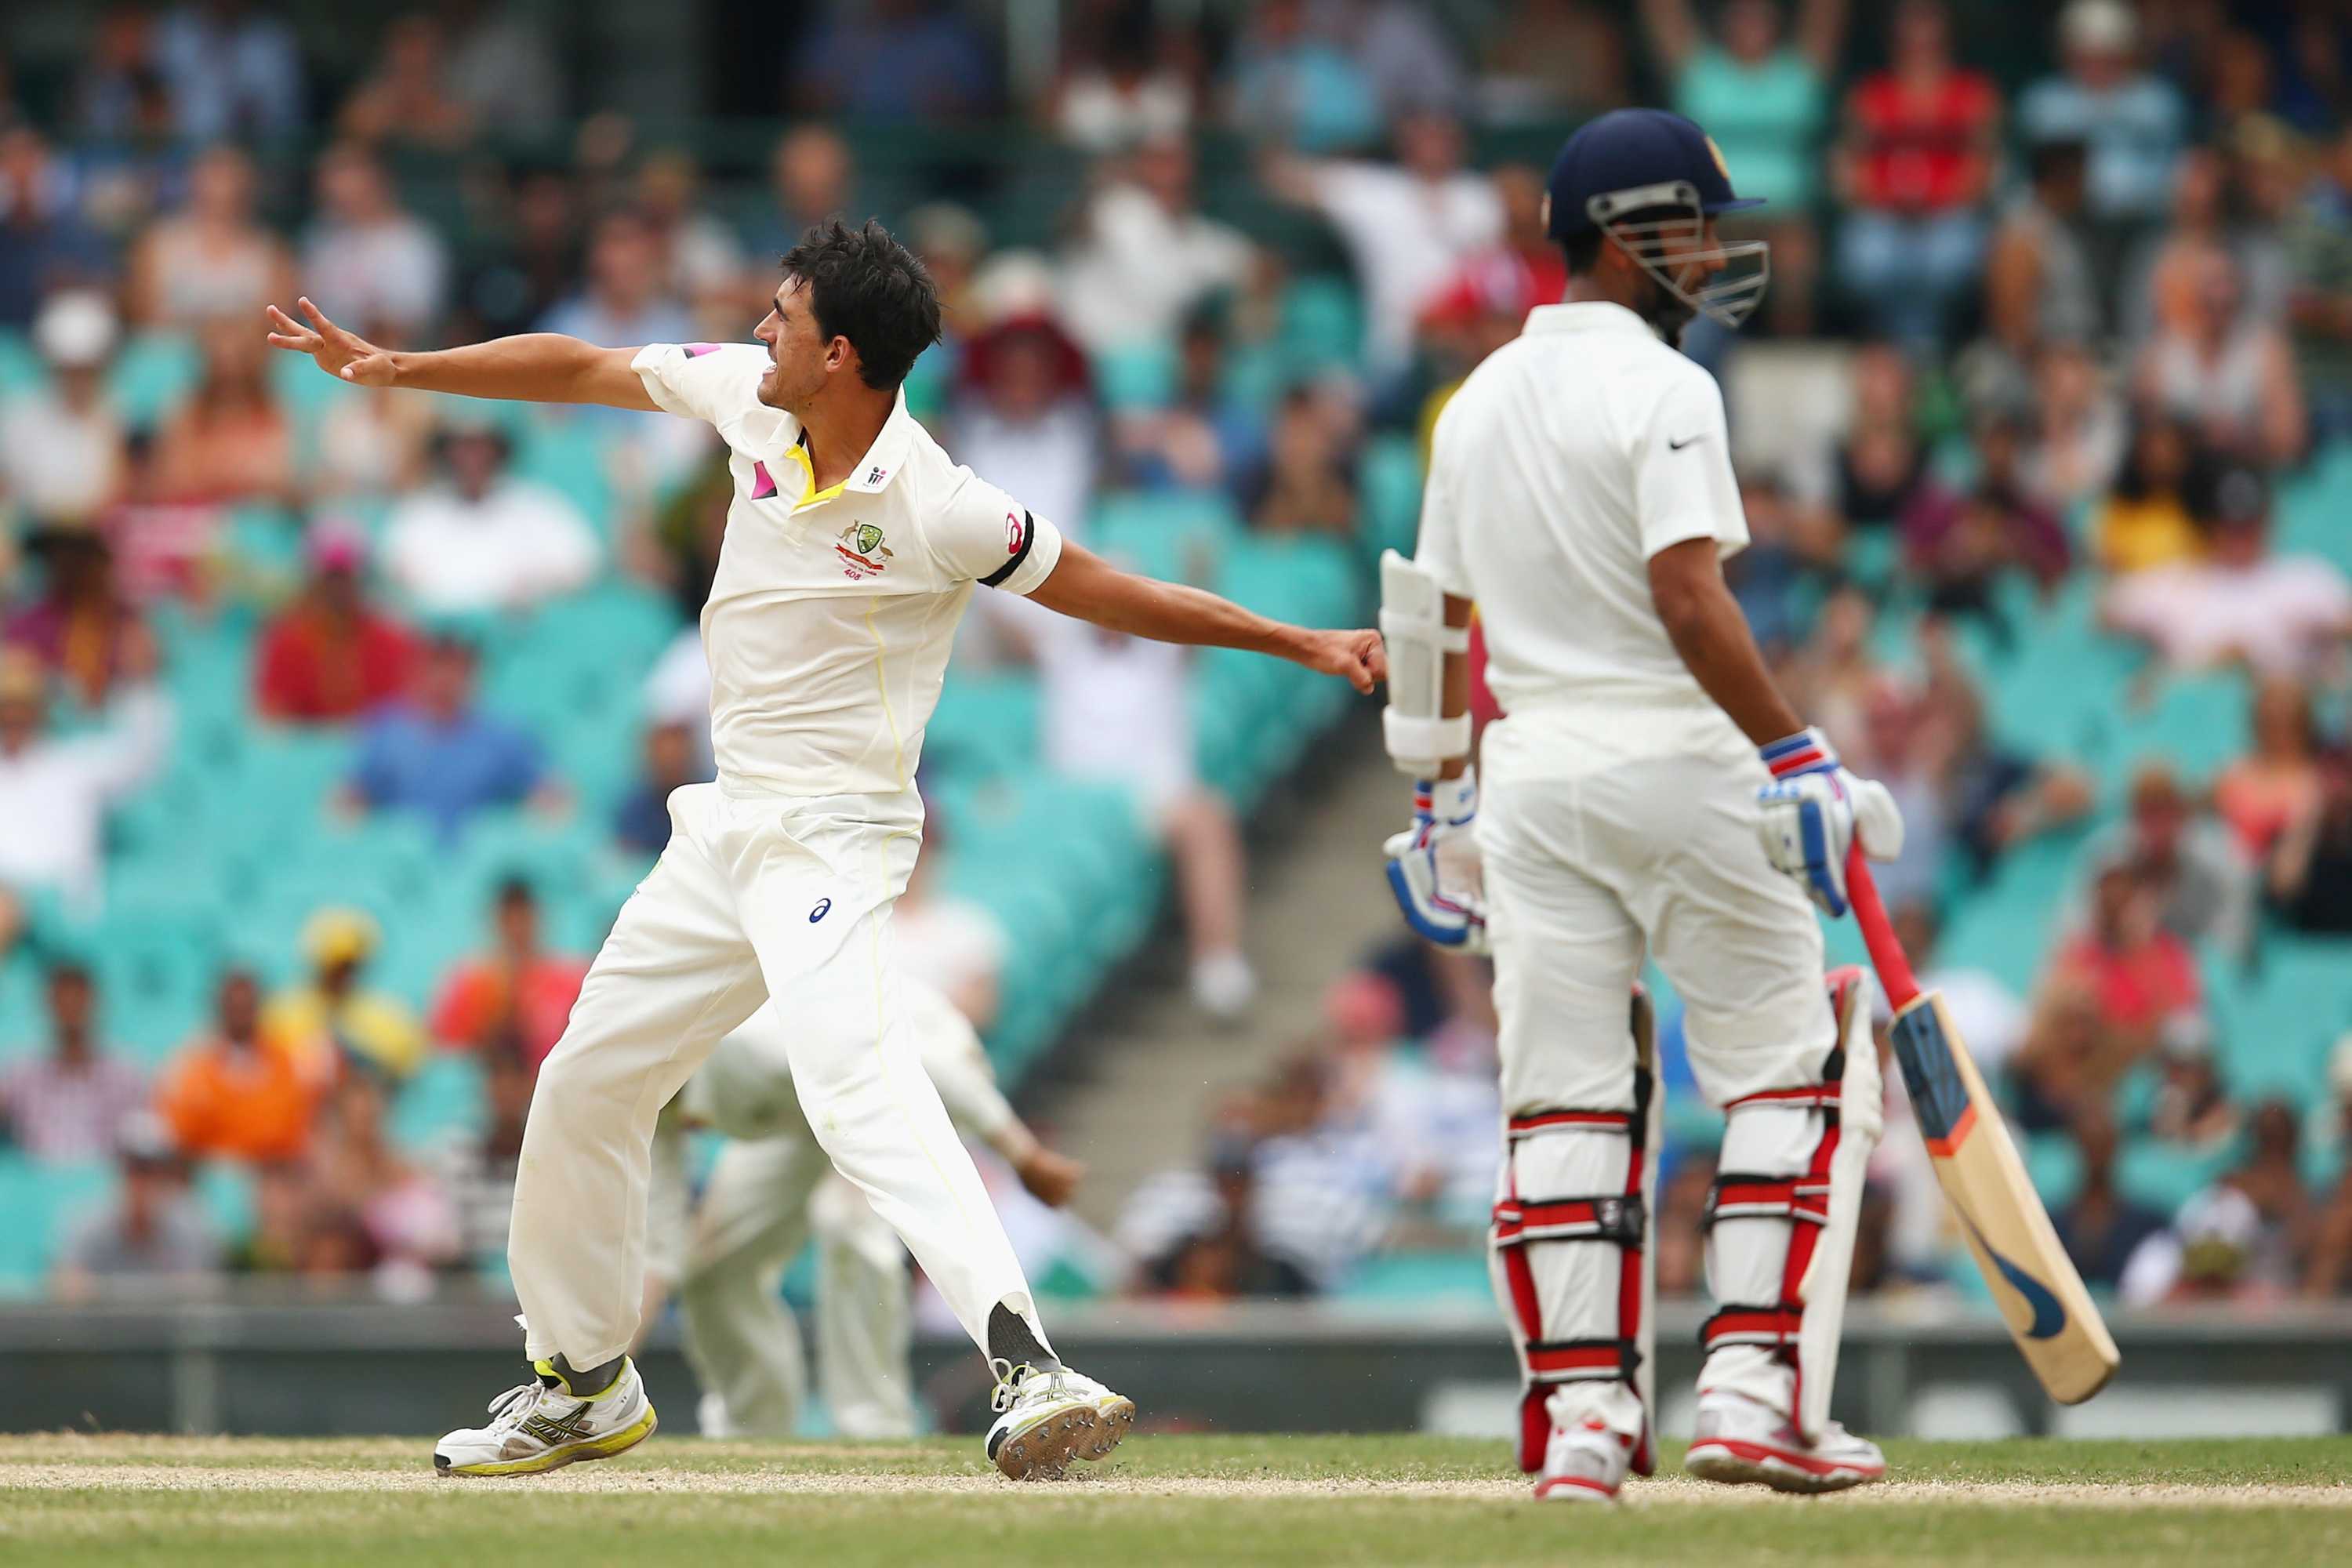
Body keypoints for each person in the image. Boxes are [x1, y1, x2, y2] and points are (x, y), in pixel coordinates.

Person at [264, 216, 1381, 1480]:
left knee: (852, 1085)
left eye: (782, 318)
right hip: (726, 826)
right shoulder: (749, 401)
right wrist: (399, 369)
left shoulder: (943, 506)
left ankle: (1031, 1362)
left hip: (834, 841)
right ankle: (579, 1382)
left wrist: (1304, 644)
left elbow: (1114, 591)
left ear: (841, 353)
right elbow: (583, 366)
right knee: (583, 1083)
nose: (756, 331)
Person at [1378, 108, 1889, 1501]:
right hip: (1677, 760)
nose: (1718, 252)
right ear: (1627, 236)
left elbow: (1429, 621)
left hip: (1530, 781)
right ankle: (1749, 1391)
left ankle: (1584, 1426)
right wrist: (1801, 755)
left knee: (1564, 1109)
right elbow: (1687, 594)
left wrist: (1435, 803)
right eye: (1698, 226)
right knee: (1794, 1069)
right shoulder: (1670, 391)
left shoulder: (1474, 399)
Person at [662, 980, 1083, 1439]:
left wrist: (1022, 1153)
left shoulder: (751, 1044)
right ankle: (750, 1426)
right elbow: (648, 1255)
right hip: (798, 1111)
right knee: (712, 1268)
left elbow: (934, 1067)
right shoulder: (641, 1095)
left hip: (893, 1072)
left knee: (849, 1227)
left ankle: (873, 1426)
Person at [2105, 464, 2352, 680]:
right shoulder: (2178, 582)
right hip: (2198, 713)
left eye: (2249, 525)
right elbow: (2106, 612)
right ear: (2211, 526)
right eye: (2231, 526)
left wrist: (2321, 632)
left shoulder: (2305, 577)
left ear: (2267, 522)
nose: (2240, 536)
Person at [0, 637, 171, 913]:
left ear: (38, 711)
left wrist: (142, 684)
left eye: (21, 707)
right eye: (5, 709)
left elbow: (140, 759)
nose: (12, 720)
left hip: (61, 910)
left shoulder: (76, 765)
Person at [341, 633, 557, 842]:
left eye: (456, 669)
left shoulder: (502, 737)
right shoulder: (387, 732)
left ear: (473, 675)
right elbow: (349, 799)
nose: (445, 680)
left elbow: (548, 795)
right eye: (436, 667)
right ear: (417, 673)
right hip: (401, 864)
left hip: (479, 864)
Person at [380, 417, 600, 614]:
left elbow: (581, 565)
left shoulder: (537, 507)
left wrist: (536, 585)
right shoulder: (418, 511)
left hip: (520, 636)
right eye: (463, 447)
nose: (471, 458)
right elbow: (397, 574)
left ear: (498, 450)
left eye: (480, 446)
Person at [2017, 0, 2185, 226]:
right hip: (2064, 224)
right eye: (2086, 56)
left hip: (2147, 226)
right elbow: (2032, 180)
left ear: (2128, 54)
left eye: (2108, 56)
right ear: (2067, 54)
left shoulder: (2157, 102)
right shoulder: (2043, 104)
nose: (2097, 66)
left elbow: (2176, 173)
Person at [155, 969, 326, 1165]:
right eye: (234, 1006)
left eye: (247, 1006)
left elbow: (299, 1131)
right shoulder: (190, 1067)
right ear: (219, 1008)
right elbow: (178, 1138)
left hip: (274, 1176)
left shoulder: (288, 1065)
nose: (241, 1014)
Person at [252, 525, 416, 724]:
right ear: (313, 580)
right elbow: (275, 722)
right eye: (330, 577)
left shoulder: (392, 642)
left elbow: (407, 719)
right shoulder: (286, 643)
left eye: (345, 576)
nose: (338, 588)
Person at [51, 1111, 219, 1301]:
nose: (144, 1181)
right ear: (120, 1170)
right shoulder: (86, 1224)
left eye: (154, 1169)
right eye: (136, 1168)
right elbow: (67, 1288)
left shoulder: (194, 1226)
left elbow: (198, 1295)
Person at [428, 877, 590, 1071]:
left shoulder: (571, 981)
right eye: (509, 919)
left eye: (523, 918)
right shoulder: (472, 983)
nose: (517, 929)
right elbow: (449, 1054)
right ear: (496, 922)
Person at [1, 289, 126, 528]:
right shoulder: (18, 416)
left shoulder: (119, 414)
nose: (78, 380)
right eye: (69, 369)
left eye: (87, 369)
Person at [0, 961, 147, 1164]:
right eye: (61, 999)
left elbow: (142, 1146)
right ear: (46, 1004)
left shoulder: (127, 1075)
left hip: (102, 1185)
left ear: (96, 1002)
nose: (70, 1007)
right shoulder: (18, 1075)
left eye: (79, 998)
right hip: (34, 1184)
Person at [263, 906, 426, 1083]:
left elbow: (408, 1072)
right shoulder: (281, 1015)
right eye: (336, 966)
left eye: (350, 966)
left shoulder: (391, 1019)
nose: (344, 975)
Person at [2215, 675, 2327, 862]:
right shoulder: (2235, 771)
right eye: (2269, 721)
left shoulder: (2315, 782)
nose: (2277, 731)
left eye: (2287, 722)